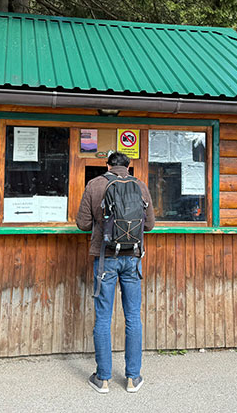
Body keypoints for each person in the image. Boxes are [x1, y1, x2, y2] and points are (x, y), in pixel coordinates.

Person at [76, 151, 155, 394]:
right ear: (128, 167)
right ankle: (133, 378)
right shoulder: (140, 186)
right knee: (132, 317)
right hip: (132, 258)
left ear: (107, 165)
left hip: (105, 258)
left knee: (103, 317)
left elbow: (83, 223)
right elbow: (150, 225)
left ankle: (103, 379)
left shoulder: (95, 184)